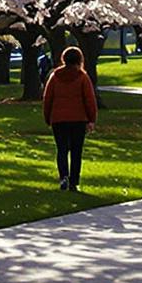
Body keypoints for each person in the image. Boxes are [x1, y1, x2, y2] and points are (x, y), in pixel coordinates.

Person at [42, 45, 99, 191]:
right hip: (78, 118)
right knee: (76, 151)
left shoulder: (55, 77)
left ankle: (63, 177)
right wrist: (92, 119)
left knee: (62, 149)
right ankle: (74, 181)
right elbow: (89, 99)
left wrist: (48, 117)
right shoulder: (82, 77)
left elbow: (48, 98)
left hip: (58, 118)